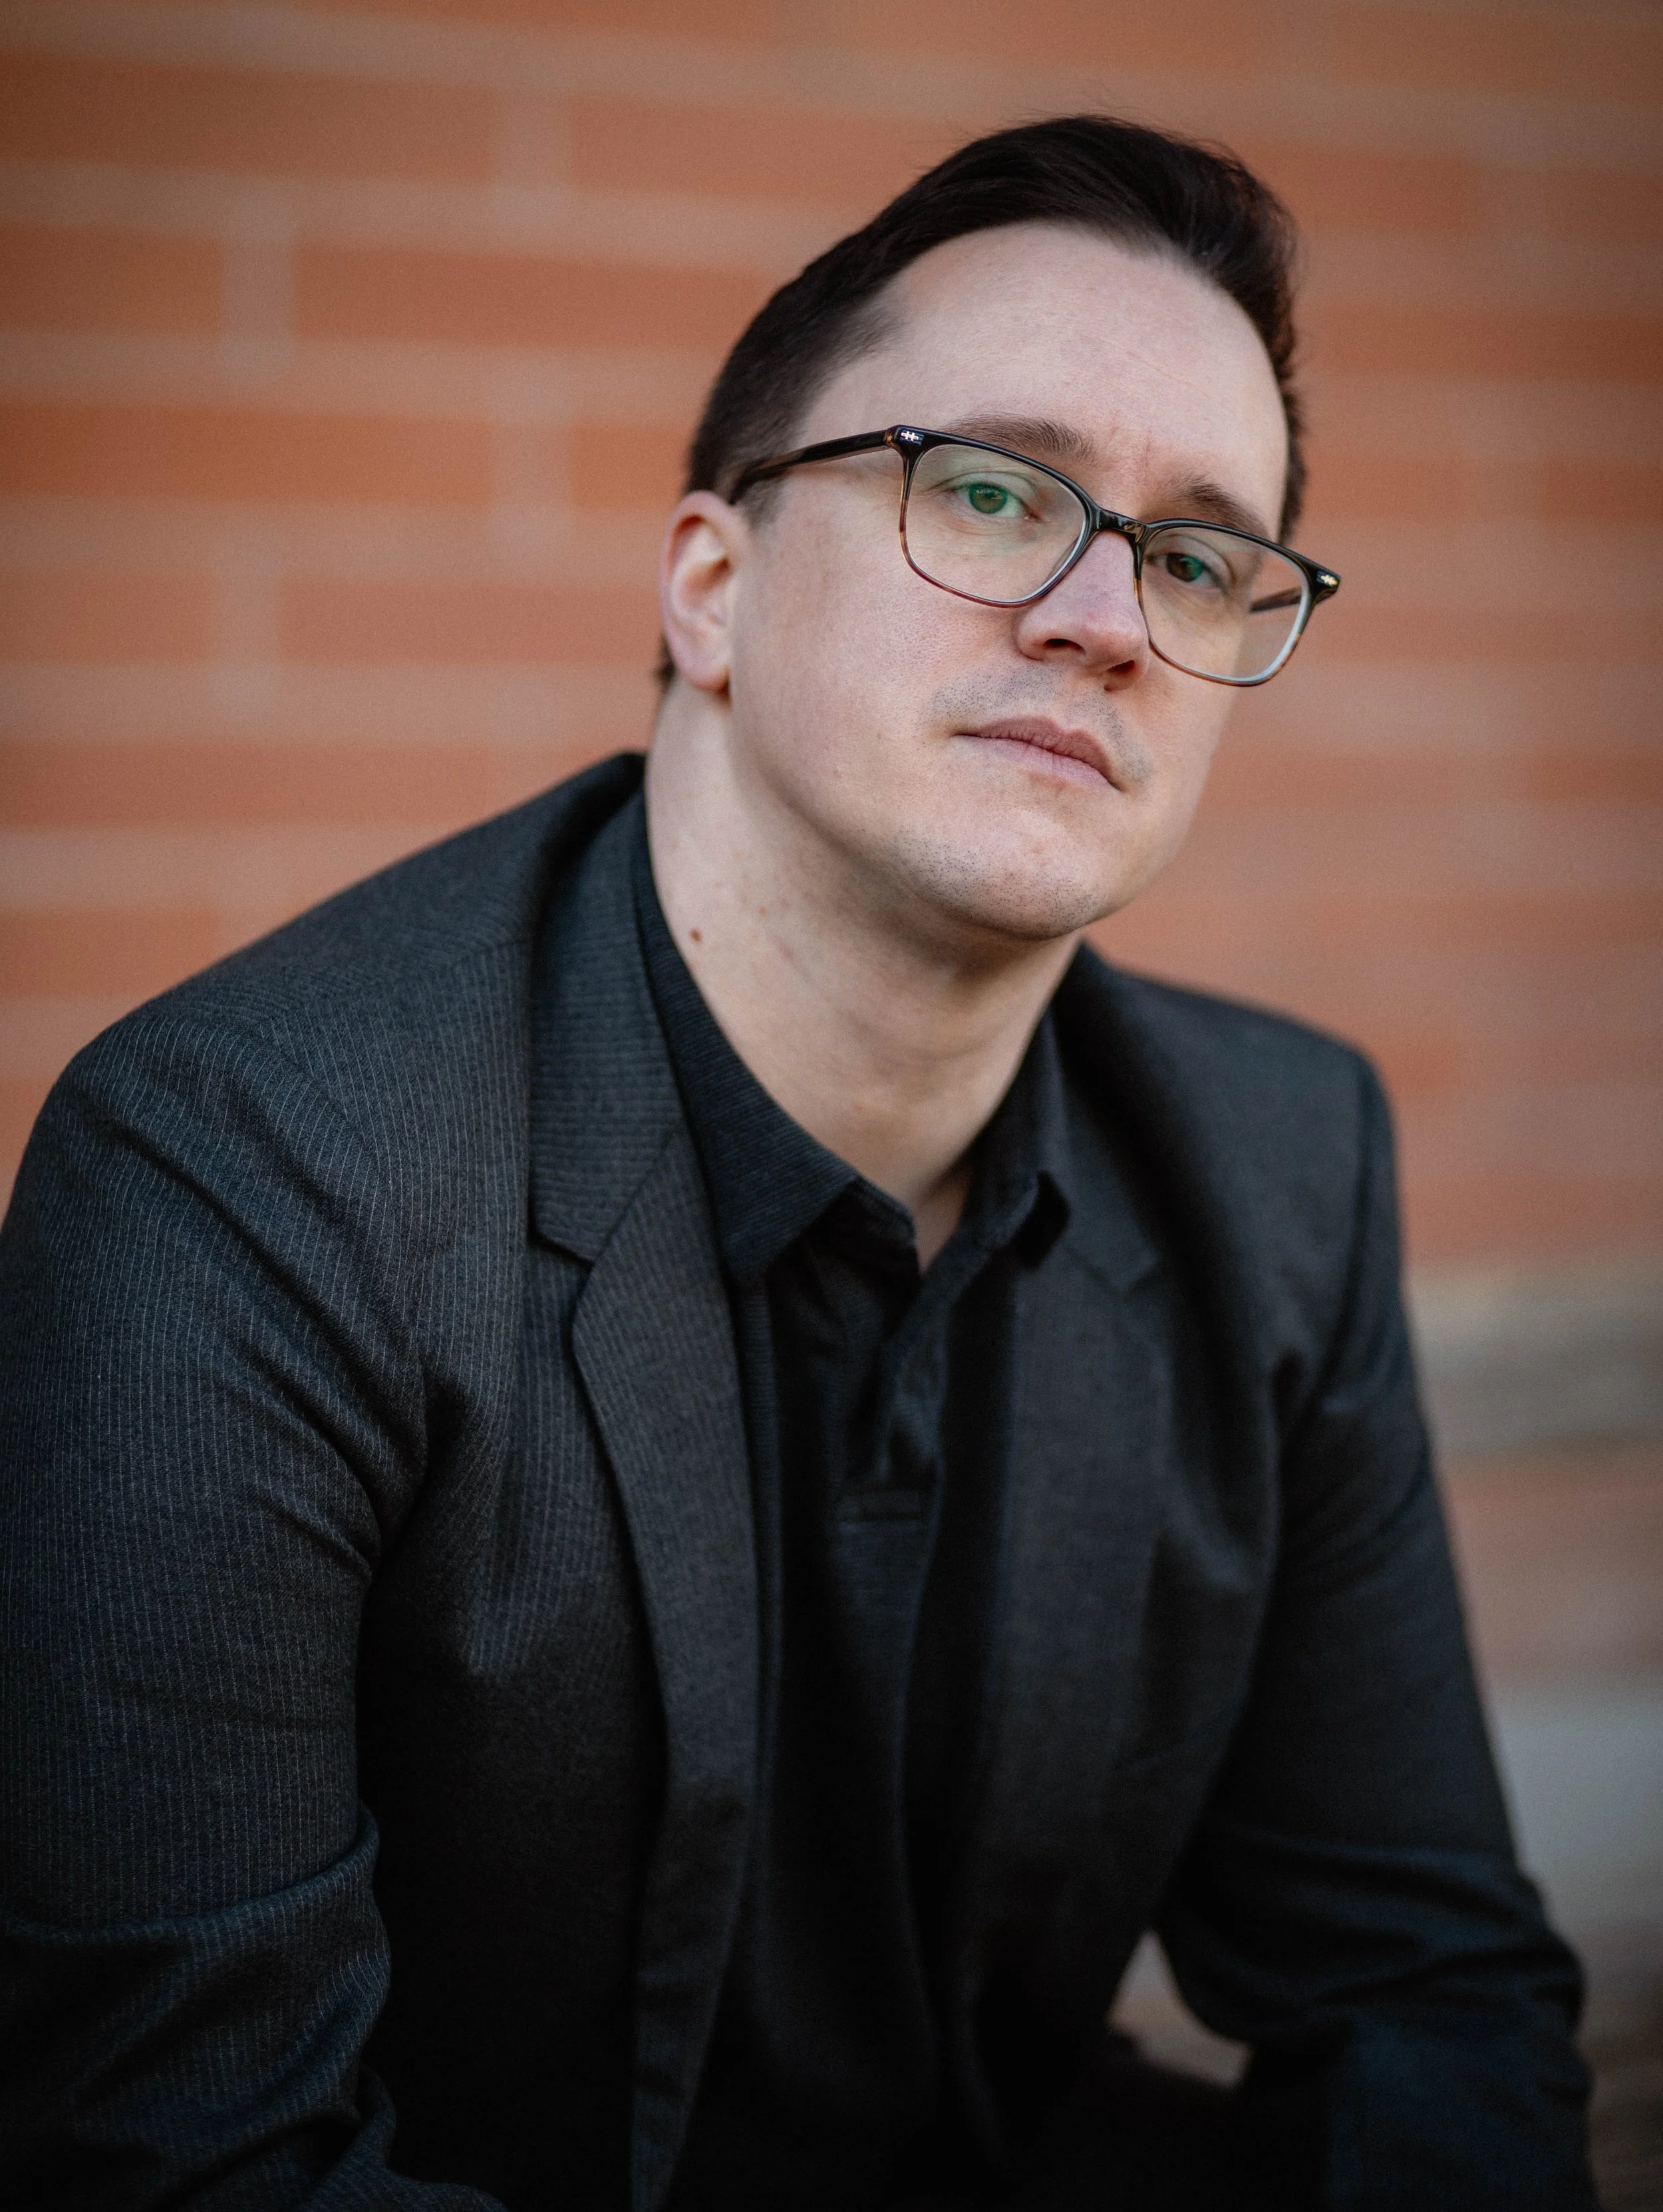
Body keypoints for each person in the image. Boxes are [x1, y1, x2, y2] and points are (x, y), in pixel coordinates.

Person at [0, 116, 1595, 2211]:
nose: (1107, 614)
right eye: (999, 490)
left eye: (1203, 555)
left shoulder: (1279, 1166)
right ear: (711, 583)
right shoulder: (246, 1177)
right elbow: (182, 2165)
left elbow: (1421, 1991)